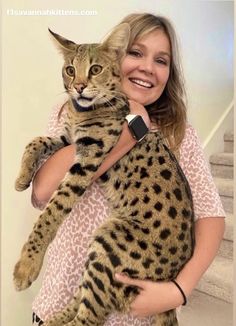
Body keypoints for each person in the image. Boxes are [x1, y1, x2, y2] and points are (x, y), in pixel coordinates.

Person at [31, 13, 225, 326]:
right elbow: (42, 191)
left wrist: (179, 290)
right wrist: (131, 128)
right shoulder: (68, 113)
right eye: (135, 53)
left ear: (169, 73)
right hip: (57, 305)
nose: (148, 67)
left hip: (134, 316)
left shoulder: (179, 132)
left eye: (161, 60)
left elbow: (211, 216)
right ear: (113, 57)